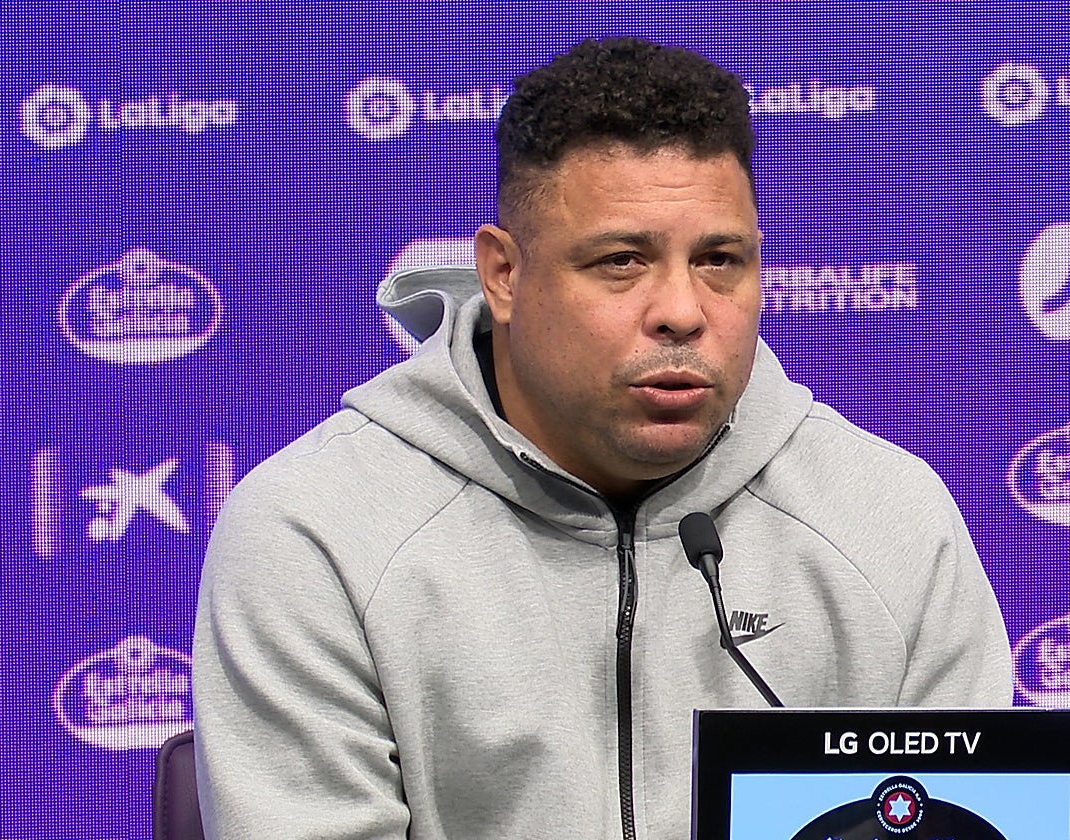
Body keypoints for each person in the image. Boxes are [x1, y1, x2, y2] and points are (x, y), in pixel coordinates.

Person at [192, 37, 1013, 839]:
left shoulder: (885, 517)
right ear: (504, 274)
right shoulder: (317, 530)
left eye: (719, 260)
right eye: (622, 261)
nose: (683, 311)